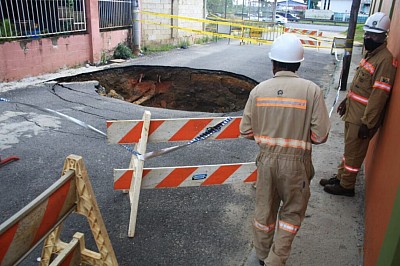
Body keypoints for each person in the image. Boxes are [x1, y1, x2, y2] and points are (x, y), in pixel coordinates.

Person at [240, 34, 331, 266]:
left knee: (264, 213)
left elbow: (246, 131)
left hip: (267, 161)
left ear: (273, 63)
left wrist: (268, 140)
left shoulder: (259, 91)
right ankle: (276, 259)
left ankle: (261, 256)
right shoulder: (312, 91)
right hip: (297, 165)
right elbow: (320, 136)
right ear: (298, 64)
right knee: (291, 214)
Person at [320, 12, 397, 197]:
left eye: (374, 35)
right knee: (349, 149)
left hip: (362, 118)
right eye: (367, 34)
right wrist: (347, 100)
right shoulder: (371, 55)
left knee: (354, 154)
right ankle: (341, 177)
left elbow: (379, 96)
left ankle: (347, 186)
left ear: (383, 36)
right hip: (353, 112)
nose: (369, 38)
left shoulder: (385, 61)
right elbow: (360, 85)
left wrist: (367, 123)